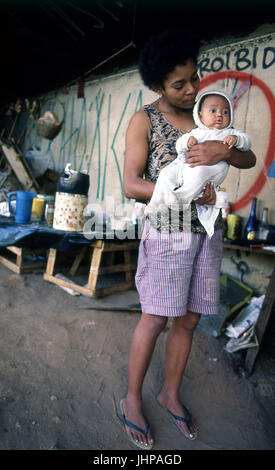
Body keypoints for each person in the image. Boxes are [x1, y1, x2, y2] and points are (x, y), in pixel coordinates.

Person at [121, 28, 256, 450]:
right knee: (156, 317)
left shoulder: (210, 115)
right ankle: (130, 399)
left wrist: (224, 153)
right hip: (167, 234)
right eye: (179, 84)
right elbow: (130, 184)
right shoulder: (145, 119)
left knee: (192, 317)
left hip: (207, 234)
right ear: (158, 86)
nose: (193, 89)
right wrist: (185, 193)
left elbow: (247, 156)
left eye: (194, 78)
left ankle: (169, 393)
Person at [144, 90, 251, 238]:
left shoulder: (229, 133)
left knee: (198, 177)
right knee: (165, 174)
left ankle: (180, 199)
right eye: (213, 110)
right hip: (183, 166)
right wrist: (187, 143)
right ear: (200, 115)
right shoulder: (197, 132)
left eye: (225, 112)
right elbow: (179, 145)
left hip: (209, 171)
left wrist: (237, 140)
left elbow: (247, 143)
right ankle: (156, 204)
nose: (219, 115)